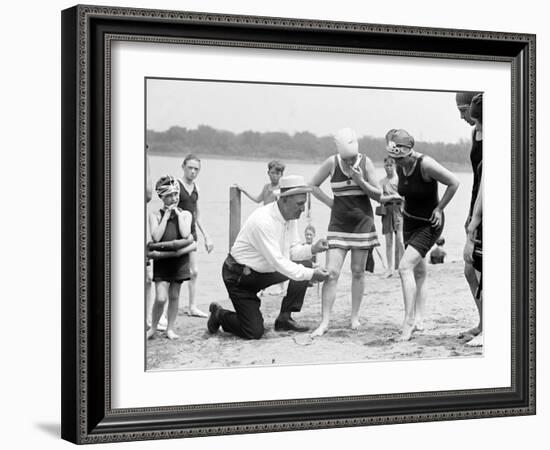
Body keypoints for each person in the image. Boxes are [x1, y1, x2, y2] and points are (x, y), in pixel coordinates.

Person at [206, 175, 330, 340]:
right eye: (300, 205)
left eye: (304, 204)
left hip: (263, 272)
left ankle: (284, 318)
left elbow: (293, 251)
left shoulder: (290, 216)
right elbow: (279, 262)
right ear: (284, 200)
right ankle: (219, 314)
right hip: (239, 277)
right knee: (254, 332)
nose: (302, 209)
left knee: (305, 263)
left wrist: (312, 249)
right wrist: (312, 274)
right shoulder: (263, 221)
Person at [387, 129, 460, 341]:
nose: (397, 163)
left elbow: (454, 182)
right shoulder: (401, 166)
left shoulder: (425, 164)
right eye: (394, 159)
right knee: (419, 272)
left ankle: (408, 321)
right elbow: (408, 192)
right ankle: (419, 318)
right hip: (409, 221)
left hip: (430, 224)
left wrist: (440, 208)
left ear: (409, 152)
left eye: (400, 158)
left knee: (404, 267)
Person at [308, 127, 381, 336]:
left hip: (362, 225)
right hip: (338, 226)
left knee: (358, 272)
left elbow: (378, 195)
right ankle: (324, 322)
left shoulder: (365, 162)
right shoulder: (332, 162)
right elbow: (312, 185)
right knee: (331, 273)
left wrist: (360, 181)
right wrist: (331, 203)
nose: (349, 162)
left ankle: (354, 317)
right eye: (346, 158)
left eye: (352, 158)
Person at [147, 176, 196, 340]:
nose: (173, 199)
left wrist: (177, 214)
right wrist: (166, 216)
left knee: (174, 296)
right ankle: (153, 327)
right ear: (161, 197)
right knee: (161, 298)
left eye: (175, 194)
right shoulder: (154, 215)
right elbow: (155, 237)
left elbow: (185, 234)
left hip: (179, 260)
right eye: (168, 196)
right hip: (162, 261)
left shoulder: (186, 214)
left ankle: (170, 328)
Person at [455, 91, 483, 340]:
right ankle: (484, 322)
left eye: (464, 111)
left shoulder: (497, 132)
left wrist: (477, 218)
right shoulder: (474, 133)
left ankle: (490, 326)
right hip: (475, 203)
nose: (462, 117)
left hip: (487, 208)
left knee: (482, 269)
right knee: (469, 271)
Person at [177, 154, 214, 318]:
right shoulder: (176, 186)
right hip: (176, 235)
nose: (193, 171)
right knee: (172, 275)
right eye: (190, 168)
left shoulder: (196, 188)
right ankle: (163, 312)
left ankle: (192, 306)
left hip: (192, 235)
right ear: (183, 166)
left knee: (194, 271)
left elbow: (197, 214)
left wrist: (207, 236)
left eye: (196, 169)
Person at [378, 154, 405, 277]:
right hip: (387, 210)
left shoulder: (399, 180)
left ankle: (403, 266)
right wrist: (393, 196)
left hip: (398, 210)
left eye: (391, 165)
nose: (388, 167)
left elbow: (405, 196)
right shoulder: (382, 181)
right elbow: (380, 198)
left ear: (394, 165)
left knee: (400, 241)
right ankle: (389, 269)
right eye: (386, 165)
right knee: (389, 242)